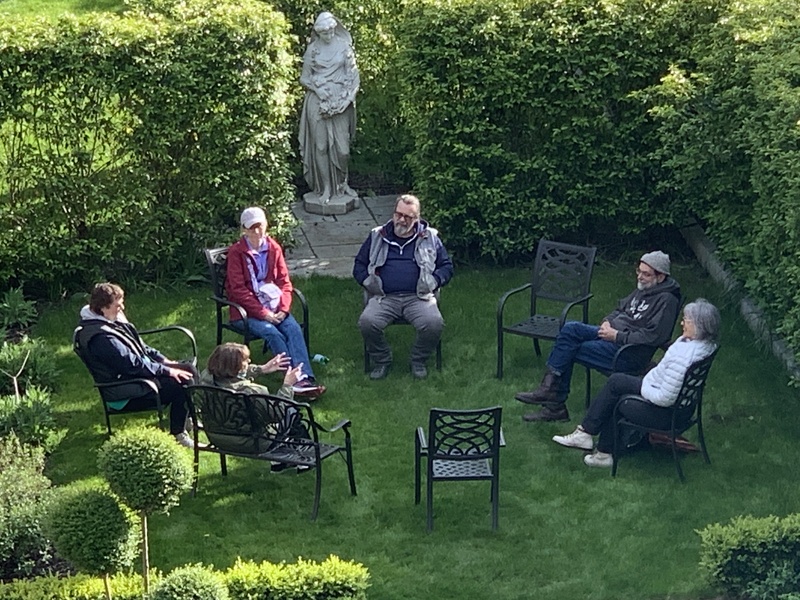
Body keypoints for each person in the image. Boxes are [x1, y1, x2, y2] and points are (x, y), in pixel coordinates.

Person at [551, 299, 720, 467]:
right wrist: (648, 382)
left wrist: (643, 388)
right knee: (617, 382)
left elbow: (665, 398)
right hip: (683, 408)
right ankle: (588, 436)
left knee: (619, 398)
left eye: (687, 320)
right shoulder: (704, 346)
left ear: (699, 326)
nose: (682, 323)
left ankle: (601, 452)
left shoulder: (684, 357)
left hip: (667, 415)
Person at [516, 250, 681, 422]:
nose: (640, 277)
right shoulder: (646, 288)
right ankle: (548, 390)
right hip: (610, 335)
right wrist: (607, 321)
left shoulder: (667, 301)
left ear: (661, 277)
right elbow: (620, 309)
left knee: (569, 349)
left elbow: (653, 337)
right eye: (639, 271)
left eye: (646, 274)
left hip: (627, 352)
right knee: (570, 329)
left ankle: (554, 404)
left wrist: (617, 336)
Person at [75, 282, 197, 448]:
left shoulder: (108, 321)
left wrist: (164, 360)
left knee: (189, 369)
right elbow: (133, 365)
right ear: (103, 307)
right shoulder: (101, 339)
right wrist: (167, 371)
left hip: (138, 375)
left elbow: (141, 347)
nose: (122, 308)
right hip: (126, 391)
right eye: (118, 305)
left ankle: (187, 419)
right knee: (183, 381)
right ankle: (178, 433)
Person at [226, 206, 325, 397]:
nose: (257, 231)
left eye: (260, 226)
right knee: (272, 333)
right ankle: (292, 381)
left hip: (275, 305)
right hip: (245, 312)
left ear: (266, 225)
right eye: (252, 227)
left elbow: (284, 283)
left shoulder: (274, 248)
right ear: (244, 229)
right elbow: (238, 291)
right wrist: (263, 314)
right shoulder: (236, 253)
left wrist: (284, 309)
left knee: (293, 329)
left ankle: (304, 377)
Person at [353, 194, 454, 380]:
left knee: (434, 324)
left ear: (416, 218)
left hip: (419, 297)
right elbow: (359, 264)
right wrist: (368, 282)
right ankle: (382, 360)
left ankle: (418, 360)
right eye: (398, 214)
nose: (401, 220)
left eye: (407, 217)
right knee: (367, 322)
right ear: (393, 213)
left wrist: (434, 282)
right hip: (384, 297)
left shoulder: (430, 237)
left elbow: (446, 267)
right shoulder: (377, 235)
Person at [199, 343, 310, 471]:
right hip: (253, 443)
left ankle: (279, 463)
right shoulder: (252, 392)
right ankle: (305, 459)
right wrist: (287, 385)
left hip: (217, 438)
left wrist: (261, 369)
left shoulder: (205, 379)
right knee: (291, 410)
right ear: (236, 367)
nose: (249, 361)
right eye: (245, 360)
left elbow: (229, 375)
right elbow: (278, 413)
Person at [299, 11, 360, 204]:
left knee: (343, 150)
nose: (329, 35)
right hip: (318, 102)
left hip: (340, 101)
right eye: (325, 33)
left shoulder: (344, 47)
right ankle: (325, 188)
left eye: (332, 31)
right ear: (318, 33)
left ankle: (342, 184)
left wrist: (346, 100)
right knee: (320, 146)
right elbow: (304, 78)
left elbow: (354, 77)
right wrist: (318, 89)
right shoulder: (313, 50)